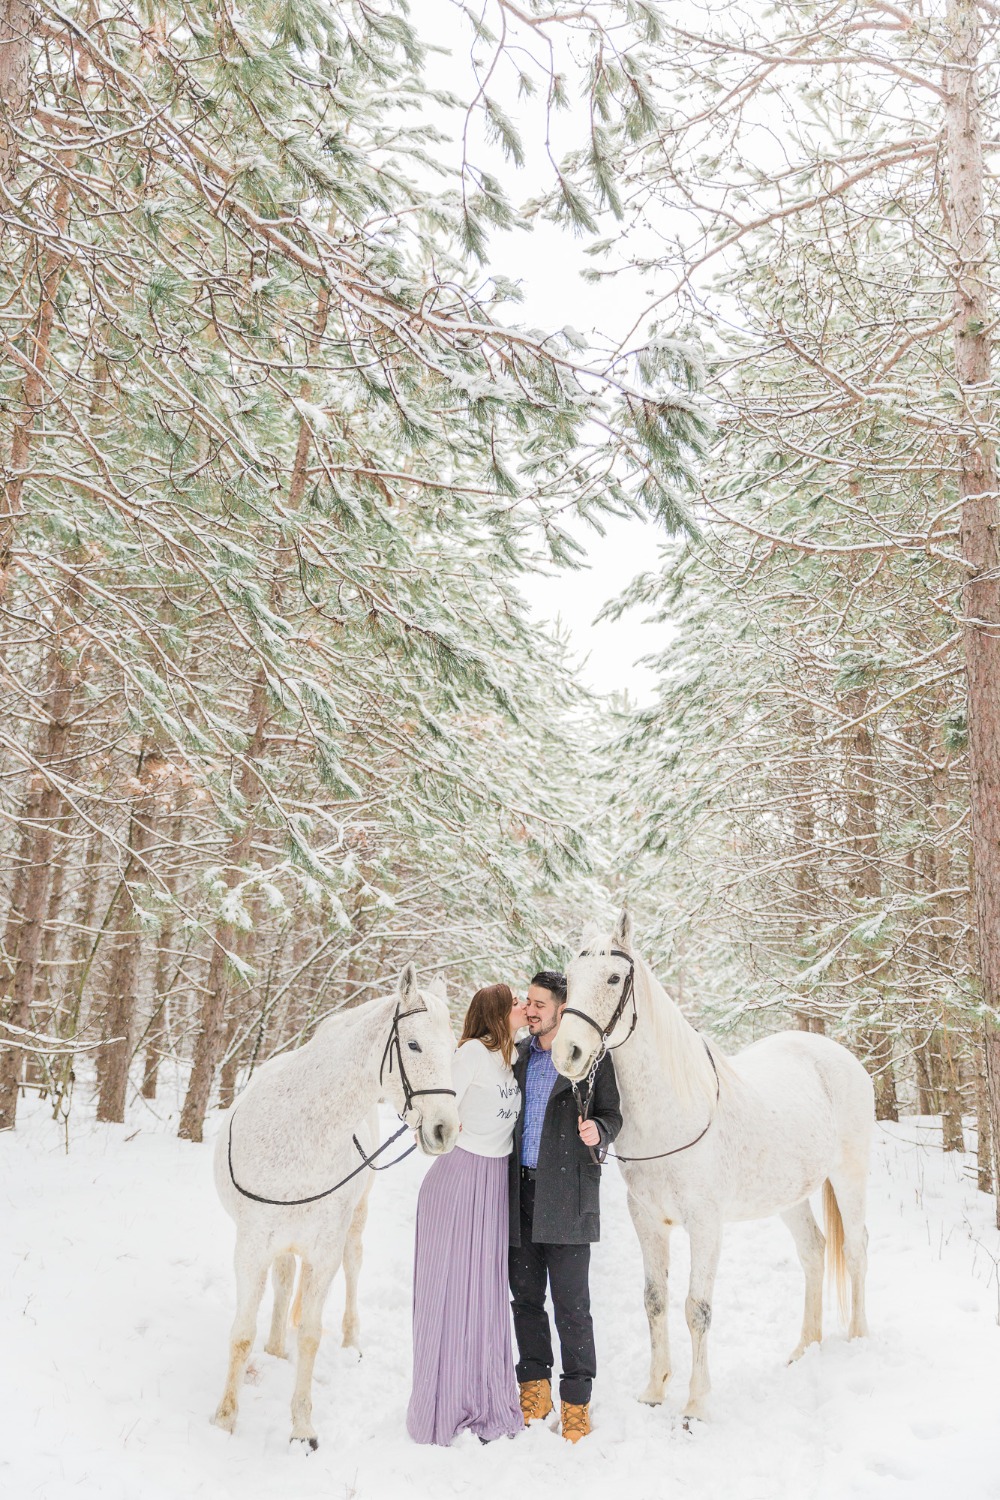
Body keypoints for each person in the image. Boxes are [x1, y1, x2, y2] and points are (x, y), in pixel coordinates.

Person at [407, 983, 527, 1446]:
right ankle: (442, 1400)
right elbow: (435, 1109)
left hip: (494, 1182)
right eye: (515, 1001)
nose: (522, 1007)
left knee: (484, 1293)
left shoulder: (510, 1058)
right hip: (458, 1179)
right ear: (496, 1010)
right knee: (451, 1291)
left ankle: (483, 1394)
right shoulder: (472, 1053)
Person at [508, 969, 622, 1443]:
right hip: (517, 1195)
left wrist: (600, 1132)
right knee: (526, 1301)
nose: (531, 1010)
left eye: (539, 1003)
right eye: (527, 1002)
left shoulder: (592, 1058)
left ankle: (576, 1402)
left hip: (569, 1196)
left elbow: (613, 1114)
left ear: (561, 1008)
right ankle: (534, 1389)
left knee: (573, 1308)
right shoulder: (512, 1057)